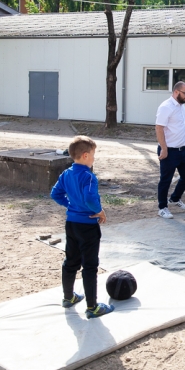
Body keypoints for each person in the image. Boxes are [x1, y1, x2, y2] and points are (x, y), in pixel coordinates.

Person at [51, 136, 114, 319]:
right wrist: (100, 212)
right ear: (86, 155)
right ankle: (92, 307)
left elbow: (55, 194)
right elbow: (89, 199)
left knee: (70, 261)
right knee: (90, 265)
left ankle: (68, 297)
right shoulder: (88, 176)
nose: (94, 158)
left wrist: (70, 206)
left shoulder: (66, 174)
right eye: (93, 154)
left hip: (71, 224)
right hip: (88, 226)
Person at [155, 81, 185, 219]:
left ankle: (175, 198)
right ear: (176, 92)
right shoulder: (166, 107)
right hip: (169, 151)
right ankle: (162, 208)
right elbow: (159, 128)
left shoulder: (181, 106)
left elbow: (181, 127)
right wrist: (164, 149)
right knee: (165, 180)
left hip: (183, 149)